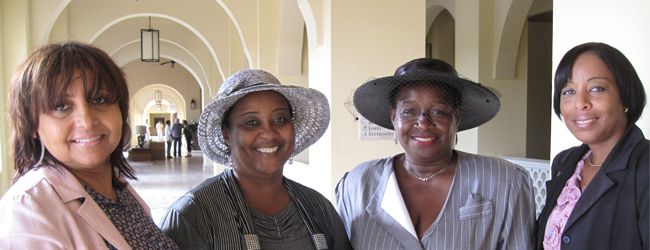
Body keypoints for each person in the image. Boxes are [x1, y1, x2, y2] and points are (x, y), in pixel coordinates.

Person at [336, 58, 535, 249]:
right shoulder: (357, 185)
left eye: (439, 111)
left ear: (456, 117)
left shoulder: (506, 181)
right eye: (409, 111)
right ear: (393, 116)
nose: (423, 122)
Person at [0, 42, 178, 249]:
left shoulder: (116, 190)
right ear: (32, 124)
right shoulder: (28, 213)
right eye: (61, 106)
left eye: (99, 99)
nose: (86, 120)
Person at [160, 69, 352, 249]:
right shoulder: (193, 216)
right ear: (227, 134)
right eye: (251, 122)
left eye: (280, 119)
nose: (269, 133)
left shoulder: (318, 208)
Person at [536, 42, 648, 249]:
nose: (580, 103)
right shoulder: (565, 163)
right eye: (568, 91)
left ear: (625, 96)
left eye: (596, 88)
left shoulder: (645, 164)